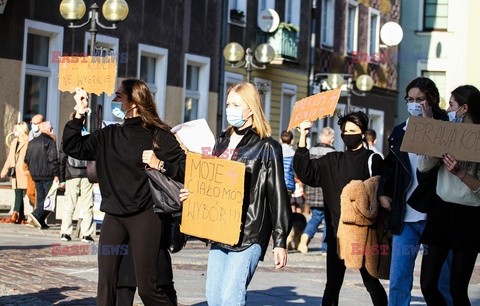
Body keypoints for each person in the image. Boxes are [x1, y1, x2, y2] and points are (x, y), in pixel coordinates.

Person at [63, 79, 185, 305]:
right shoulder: (108, 134)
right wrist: (79, 113)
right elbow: (73, 146)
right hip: (114, 215)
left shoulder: (157, 135)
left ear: (134, 101)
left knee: (148, 287)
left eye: (119, 96)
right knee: (106, 284)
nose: (113, 100)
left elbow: (185, 169)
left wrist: (160, 164)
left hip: (146, 216)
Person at [180, 82, 291, 305]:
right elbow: (211, 182)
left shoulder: (267, 146)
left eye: (236, 104)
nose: (230, 108)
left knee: (231, 298)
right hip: (220, 230)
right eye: (228, 103)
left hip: (249, 232)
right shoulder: (220, 142)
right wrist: (193, 193)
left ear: (250, 108)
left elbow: (278, 195)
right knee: (214, 298)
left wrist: (280, 241)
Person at [293, 111, 387, 306]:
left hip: (364, 235)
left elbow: (383, 192)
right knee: (333, 284)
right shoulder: (332, 160)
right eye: (344, 131)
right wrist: (302, 136)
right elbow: (306, 172)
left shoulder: (373, 160)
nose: (347, 134)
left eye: (353, 130)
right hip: (337, 234)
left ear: (363, 132)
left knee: (371, 281)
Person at [377, 76, 452, 306]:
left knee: (440, 282)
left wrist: (429, 122)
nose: (414, 103)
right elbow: (390, 167)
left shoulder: (447, 127)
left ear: (432, 101)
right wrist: (382, 192)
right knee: (399, 278)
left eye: (420, 99)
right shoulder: (400, 131)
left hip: (437, 215)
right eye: (410, 99)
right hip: (405, 215)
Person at [418, 85, 480, 305]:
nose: (448, 109)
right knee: (427, 284)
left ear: (464, 108)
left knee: (457, 288)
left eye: (452, 105)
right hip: (441, 212)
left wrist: (460, 172)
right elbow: (424, 167)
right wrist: (429, 128)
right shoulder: (446, 131)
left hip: (470, 217)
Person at [298, 126, 336, 254]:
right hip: (327, 191)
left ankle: (306, 236)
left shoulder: (311, 150)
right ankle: (325, 248)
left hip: (312, 190)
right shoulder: (333, 153)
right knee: (328, 221)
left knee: (315, 217)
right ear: (331, 140)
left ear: (320, 137)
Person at [59, 113, 95, 242]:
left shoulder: (68, 136)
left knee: (69, 204)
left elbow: (63, 158)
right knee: (87, 204)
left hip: (71, 173)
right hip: (86, 174)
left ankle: (65, 232)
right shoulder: (87, 134)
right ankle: (86, 234)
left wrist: (62, 177)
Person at [24, 121, 59, 229]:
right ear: (48, 129)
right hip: (47, 174)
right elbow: (53, 159)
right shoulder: (50, 141)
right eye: (51, 127)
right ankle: (36, 214)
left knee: (41, 197)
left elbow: (26, 159)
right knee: (49, 199)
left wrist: (32, 170)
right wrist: (56, 174)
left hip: (35, 174)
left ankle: (40, 221)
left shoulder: (32, 142)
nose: (52, 129)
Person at [0, 122, 30, 224]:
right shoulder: (14, 142)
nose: (14, 132)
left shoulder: (27, 141)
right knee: (18, 192)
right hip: (15, 172)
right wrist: (4, 171)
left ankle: (15, 213)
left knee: (19, 193)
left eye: (16, 130)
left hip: (23, 171)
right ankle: (20, 215)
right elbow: (9, 158)